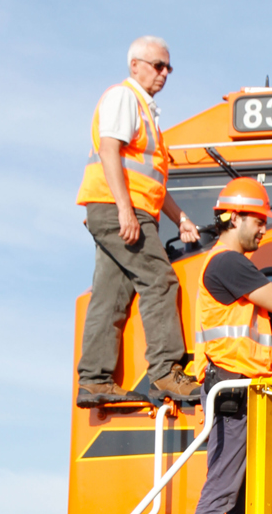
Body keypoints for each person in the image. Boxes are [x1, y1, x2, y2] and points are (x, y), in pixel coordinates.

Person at [75, 36, 201, 407]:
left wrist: (180, 219)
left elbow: (152, 180)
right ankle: (165, 373)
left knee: (110, 296)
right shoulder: (123, 98)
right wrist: (124, 210)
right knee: (160, 281)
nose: (164, 73)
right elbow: (110, 149)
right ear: (135, 65)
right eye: (157, 65)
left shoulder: (146, 112)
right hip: (121, 210)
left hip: (120, 208)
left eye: (168, 68)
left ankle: (95, 380)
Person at [192, 178, 272, 514]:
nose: (263, 230)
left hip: (241, 385)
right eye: (258, 221)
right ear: (233, 218)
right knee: (224, 485)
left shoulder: (231, 264)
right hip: (231, 387)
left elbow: (252, 327)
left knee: (241, 490)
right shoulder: (229, 263)